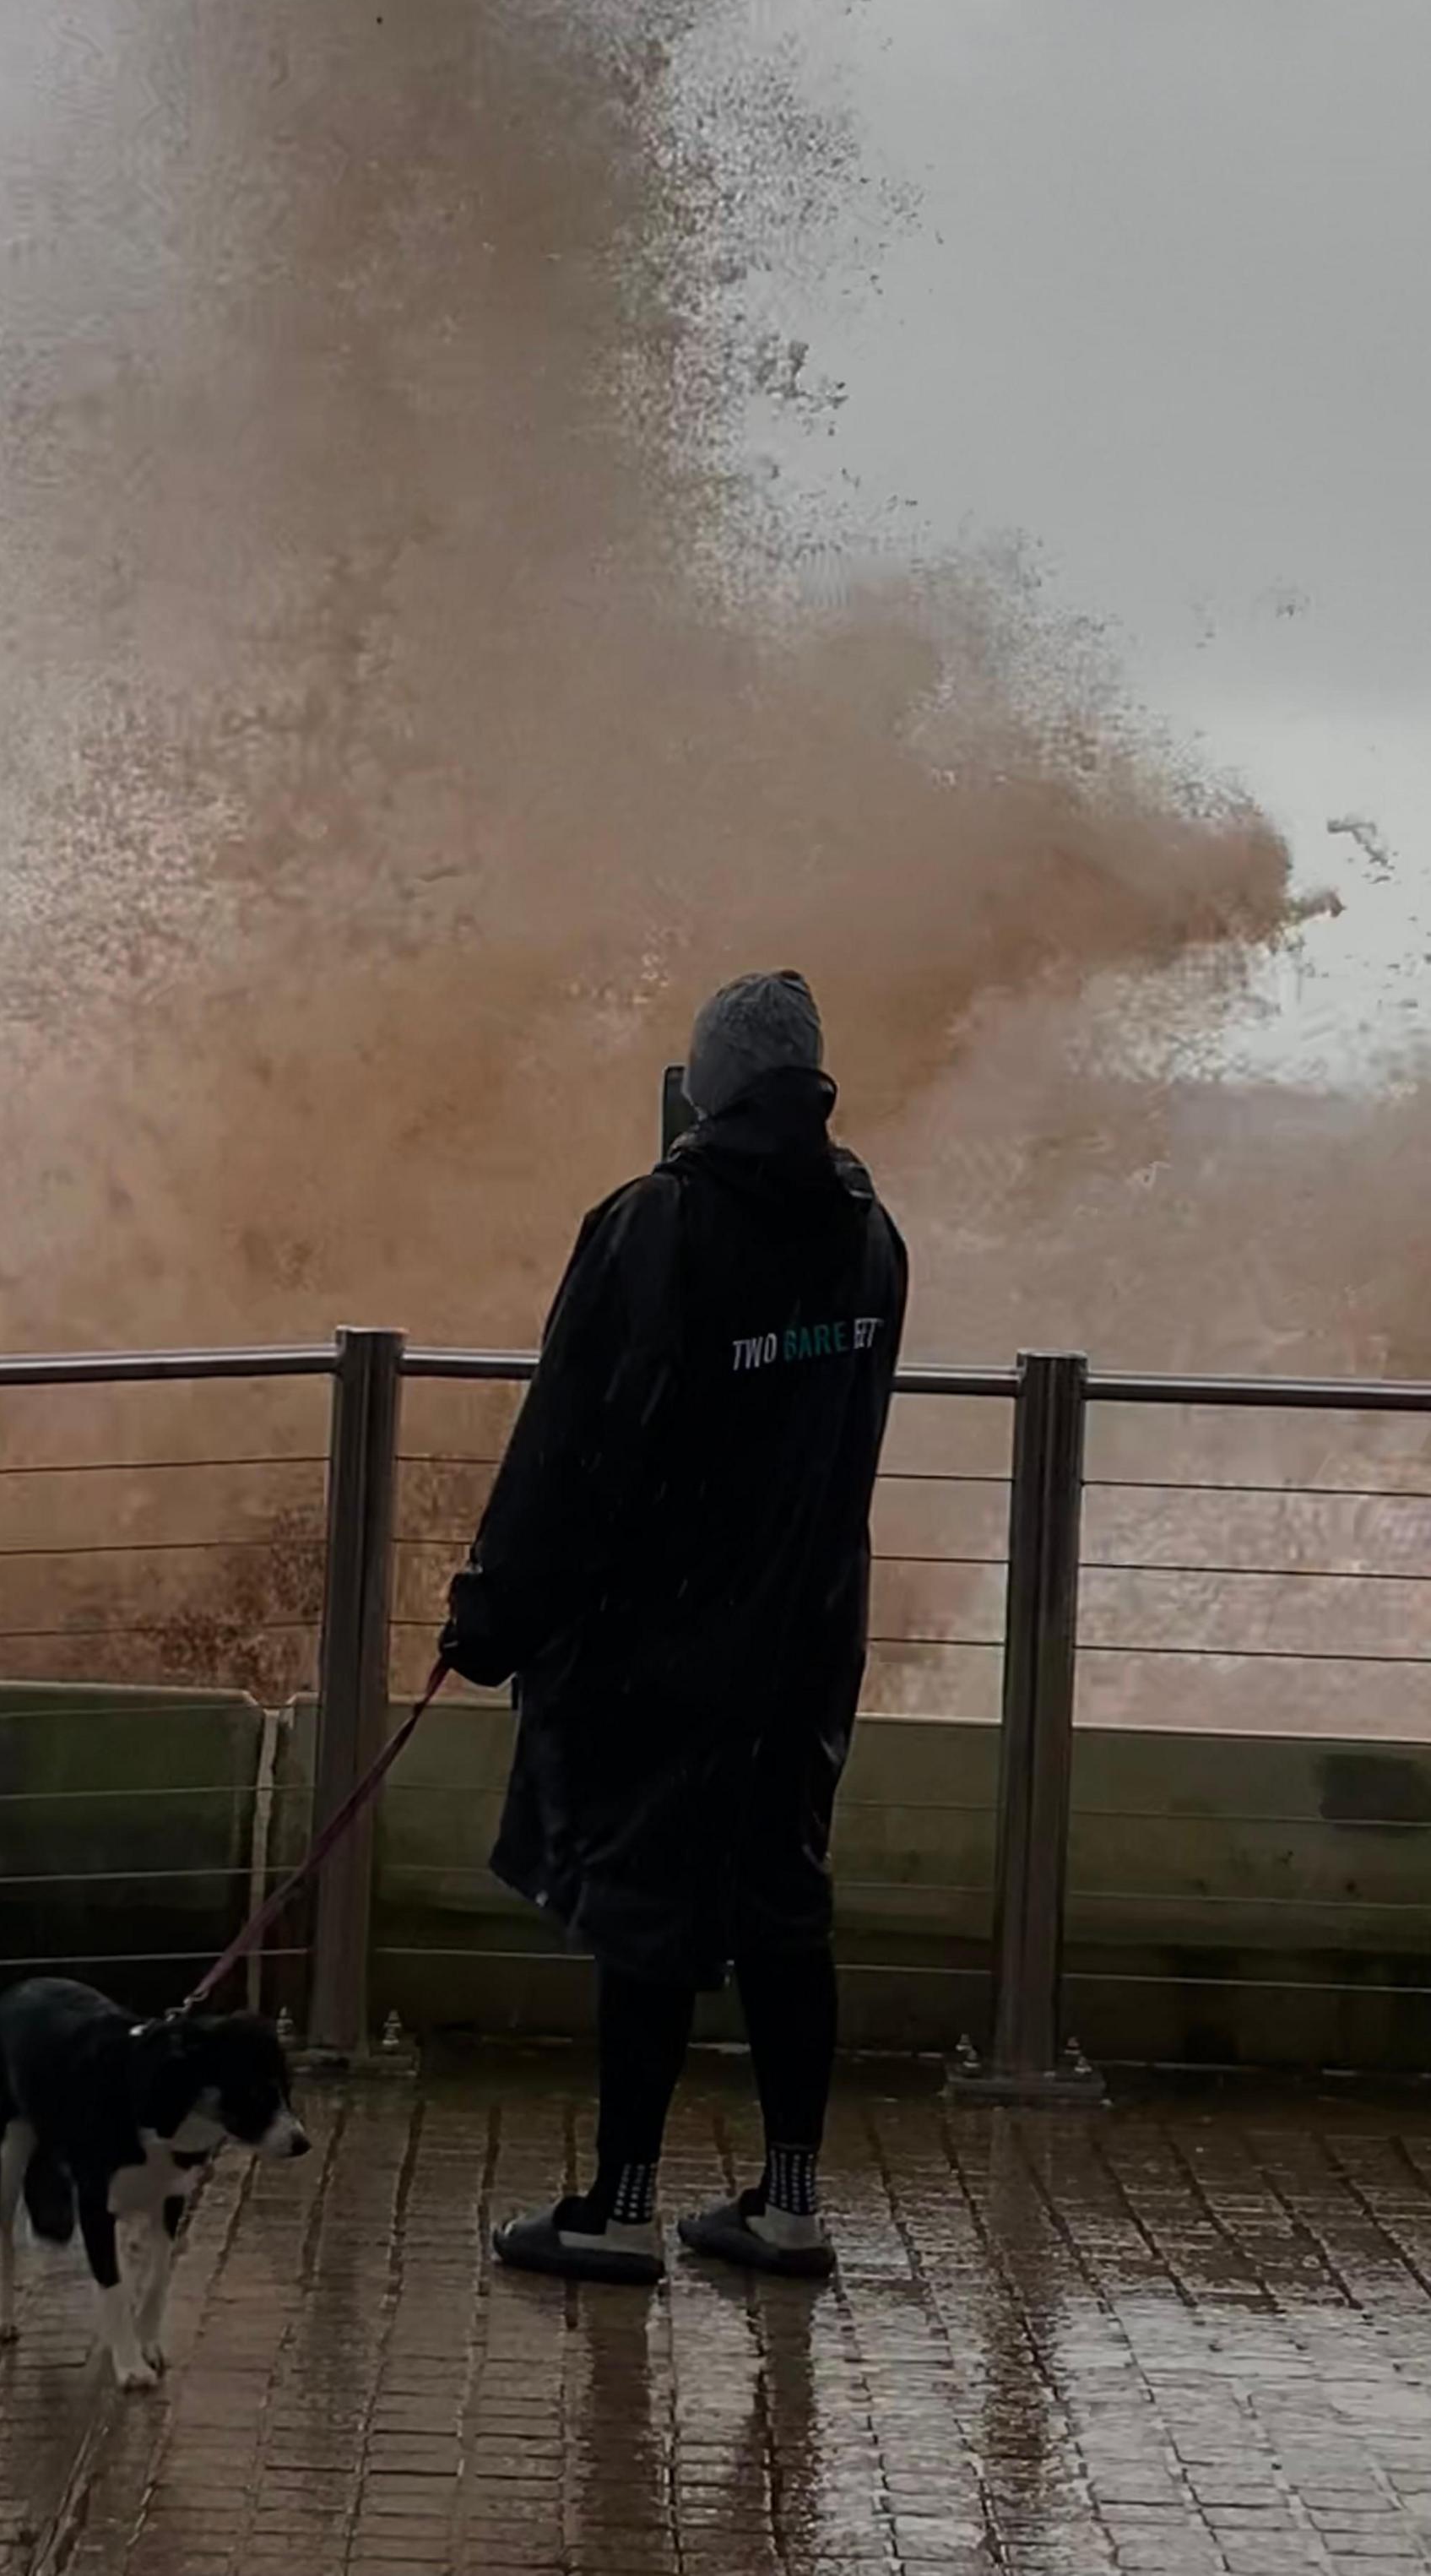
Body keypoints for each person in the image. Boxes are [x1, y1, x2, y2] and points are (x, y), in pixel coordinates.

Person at [438, 970, 907, 2285]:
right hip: (808, 1638)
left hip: (668, 1640)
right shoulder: (870, 1231)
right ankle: (793, 2202)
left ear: (704, 1085)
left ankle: (622, 2204)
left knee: (646, 1911)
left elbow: (570, 1445)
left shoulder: (657, 1223)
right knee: (782, 1901)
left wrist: (494, 1612)